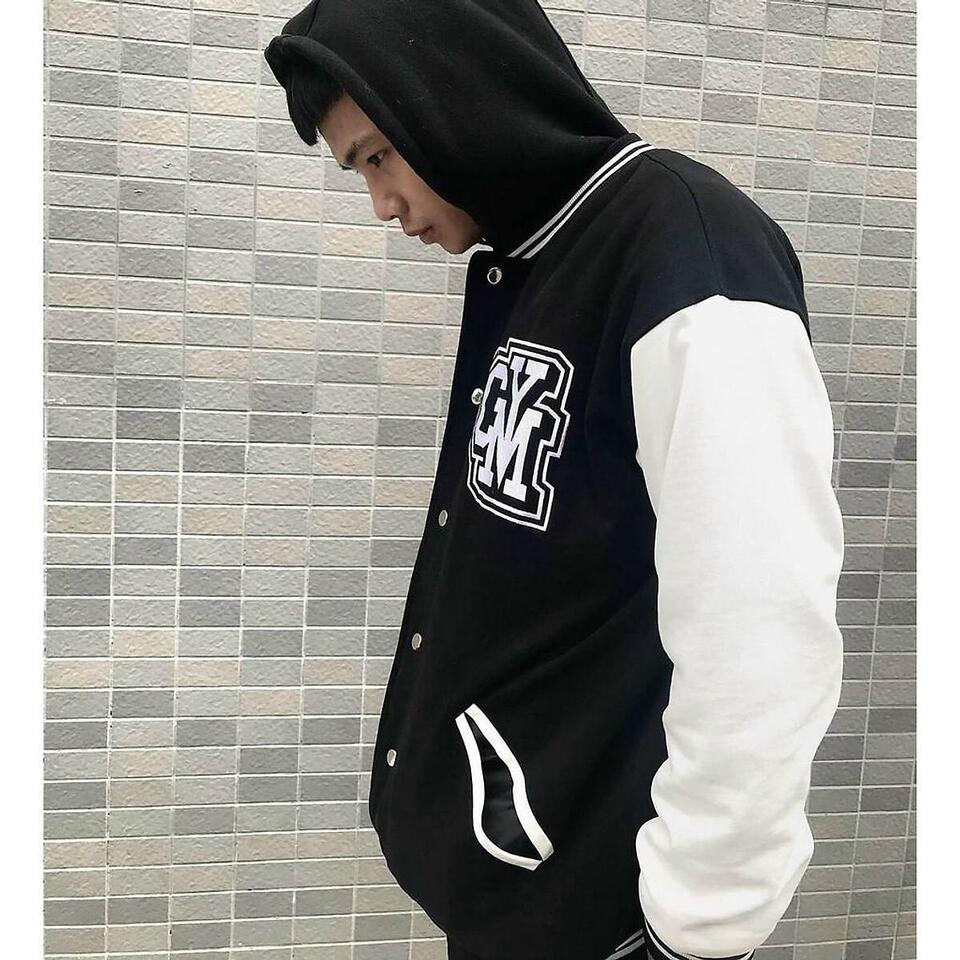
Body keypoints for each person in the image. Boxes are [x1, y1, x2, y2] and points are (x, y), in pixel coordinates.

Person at [263, 3, 845, 960]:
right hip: (518, 896)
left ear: (449, 92)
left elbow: (761, 624)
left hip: (608, 923)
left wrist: (697, 930)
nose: (381, 204)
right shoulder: (536, 262)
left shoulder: (689, 258)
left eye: (377, 158)